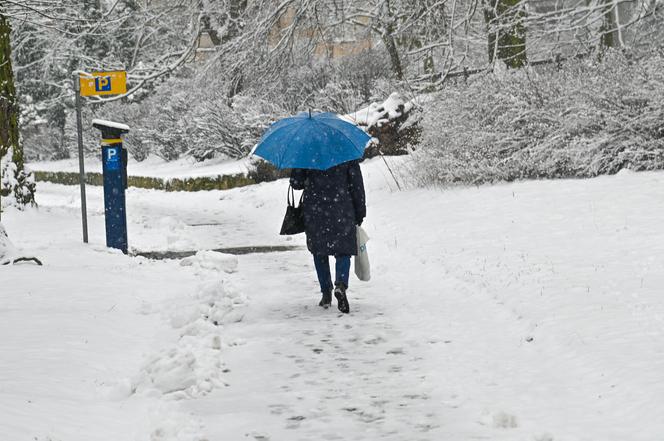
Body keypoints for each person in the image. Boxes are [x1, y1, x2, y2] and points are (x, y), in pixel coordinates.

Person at [290, 160, 366, 313]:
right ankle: (341, 285)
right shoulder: (345, 153)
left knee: (319, 252)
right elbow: (357, 186)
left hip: (315, 210)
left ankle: (326, 292)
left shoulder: (307, 153)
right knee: (343, 251)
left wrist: (298, 167)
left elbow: (296, 183)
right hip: (342, 209)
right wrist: (360, 212)